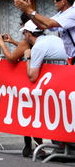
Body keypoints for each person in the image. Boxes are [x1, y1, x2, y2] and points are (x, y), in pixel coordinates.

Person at [19, 20, 67, 156]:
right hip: (65, 83)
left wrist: (28, 57)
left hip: (58, 87)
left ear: (29, 34)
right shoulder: (52, 38)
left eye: (24, 33)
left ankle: (61, 148)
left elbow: (32, 76)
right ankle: (63, 147)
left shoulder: (38, 47)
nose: (24, 36)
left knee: (54, 115)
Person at [14, 0, 75, 64]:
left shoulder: (72, 13)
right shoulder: (61, 14)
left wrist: (29, 10)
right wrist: (28, 13)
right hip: (71, 59)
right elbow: (42, 25)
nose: (54, 1)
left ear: (63, 2)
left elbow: (49, 23)